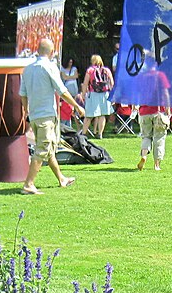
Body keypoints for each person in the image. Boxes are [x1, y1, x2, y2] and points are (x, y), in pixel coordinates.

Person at [20, 38, 83, 195]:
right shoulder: (49, 67)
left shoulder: (27, 69)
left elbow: (23, 94)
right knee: (43, 149)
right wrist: (77, 106)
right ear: (52, 52)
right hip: (46, 116)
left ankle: (61, 178)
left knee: (50, 150)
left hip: (35, 115)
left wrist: (27, 110)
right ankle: (29, 184)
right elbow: (62, 90)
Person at [136, 55, 172, 171]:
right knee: (159, 138)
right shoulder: (160, 76)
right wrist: (168, 108)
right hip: (158, 111)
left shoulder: (141, 77)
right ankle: (157, 164)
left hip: (144, 111)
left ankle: (144, 156)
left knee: (146, 136)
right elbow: (165, 93)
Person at [80, 54, 114, 138]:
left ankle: (83, 133)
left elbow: (85, 83)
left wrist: (83, 94)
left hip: (93, 94)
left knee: (89, 115)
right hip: (105, 94)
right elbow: (112, 83)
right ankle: (100, 134)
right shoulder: (106, 70)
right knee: (102, 115)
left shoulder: (90, 70)